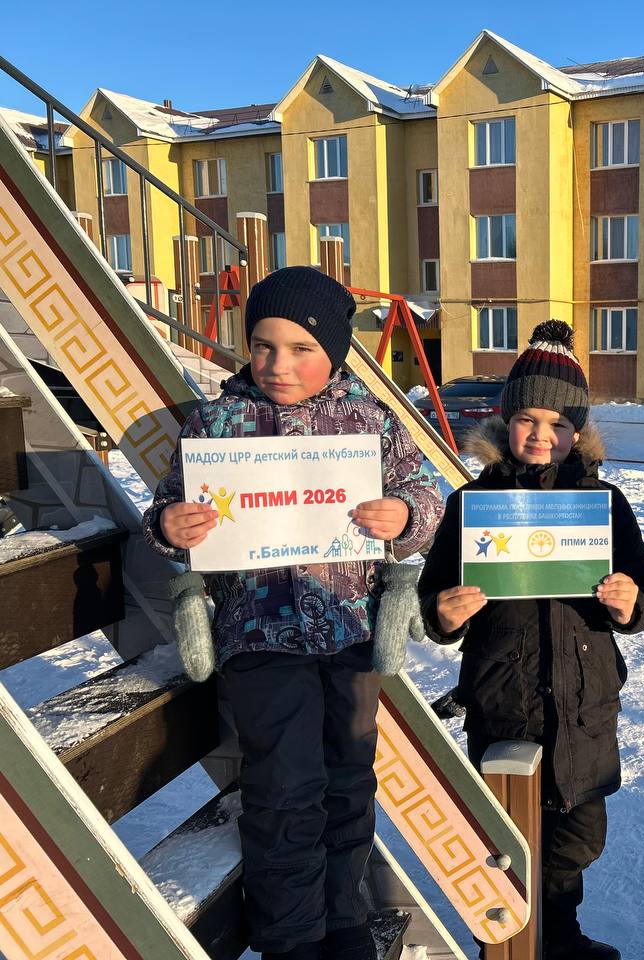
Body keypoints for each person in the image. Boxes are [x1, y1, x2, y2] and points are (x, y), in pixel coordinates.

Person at [142, 266, 445, 960]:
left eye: (301, 348)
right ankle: (291, 937)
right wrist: (172, 524)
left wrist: (402, 516)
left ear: (334, 351)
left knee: (348, 779)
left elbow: (425, 498)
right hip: (259, 636)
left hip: (349, 633)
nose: (278, 364)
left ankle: (343, 918)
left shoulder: (370, 421)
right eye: (263, 346)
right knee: (284, 787)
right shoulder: (217, 423)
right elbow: (166, 510)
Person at [417, 320, 644, 960]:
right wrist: (444, 613)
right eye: (527, 418)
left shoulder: (604, 503)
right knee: (504, 836)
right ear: (506, 421)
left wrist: (630, 603)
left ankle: (561, 936)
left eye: (557, 423)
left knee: (576, 834)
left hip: (584, 703)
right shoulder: (472, 504)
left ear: (577, 430)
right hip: (503, 696)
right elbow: (432, 596)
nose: (540, 434)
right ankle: (503, 942)